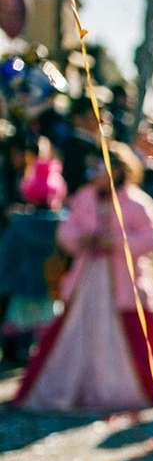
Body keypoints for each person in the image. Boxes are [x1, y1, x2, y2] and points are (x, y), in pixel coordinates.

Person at [10, 143, 153, 411]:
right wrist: (82, 239)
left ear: (118, 170)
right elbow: (65, 233)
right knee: (74, 333)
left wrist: (117, 241)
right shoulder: (84, 198)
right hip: (87, 280)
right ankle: (78, 387)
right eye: (93, 169)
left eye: (99, 168)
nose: (94, 175)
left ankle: (125, 390)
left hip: (122, 281)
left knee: (133, 340)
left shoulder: (135, 201)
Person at [0, 156, 66, 363]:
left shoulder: (19, 224)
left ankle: (19, 355)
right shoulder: (63, 223)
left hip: (23, 283)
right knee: (48, 323)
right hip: (50, 284)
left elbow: (7, 255)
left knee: (20, 324)